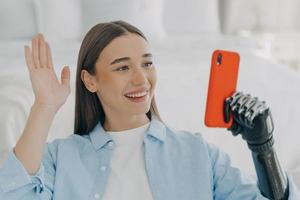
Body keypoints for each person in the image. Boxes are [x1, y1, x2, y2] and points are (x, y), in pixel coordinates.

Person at [0, 21, 299, 200]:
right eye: (122, 67)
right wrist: (44, 107)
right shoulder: (63, 157)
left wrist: (264, 149)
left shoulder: (197, 153)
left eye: (147, 63)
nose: (141, 79)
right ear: (90, 80)